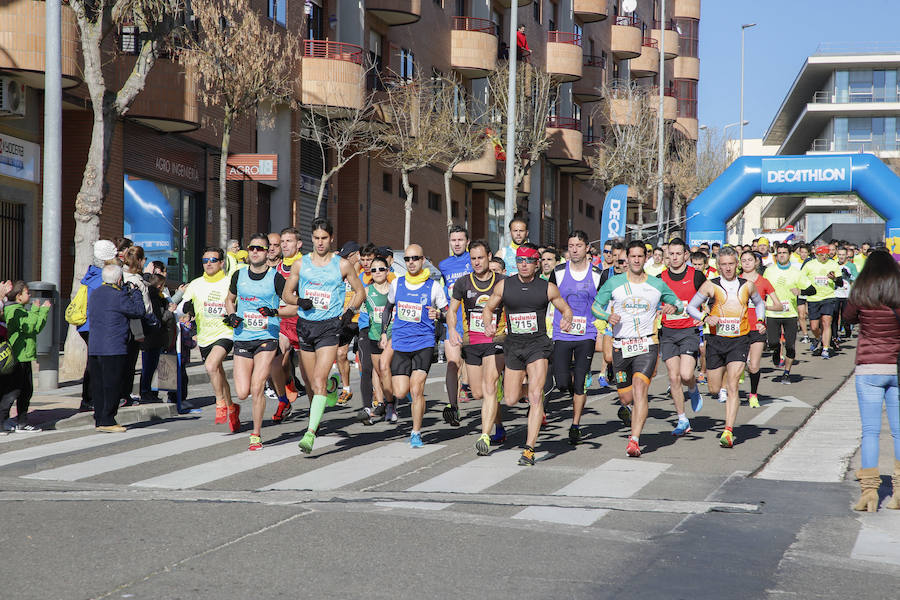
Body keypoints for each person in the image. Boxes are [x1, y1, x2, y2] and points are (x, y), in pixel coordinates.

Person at [482, 243, 573, 465]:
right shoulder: (505, 286)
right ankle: (532, 391)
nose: (524, 265)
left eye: (529, 261)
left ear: (536, 264)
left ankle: (529, 449)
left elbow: (565, 308)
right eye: (520, 261)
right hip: (513, 345)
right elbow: (488, 308)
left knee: (534, 396)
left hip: (538, 345)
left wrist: (567, 319)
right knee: (511, 399)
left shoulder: (546, 288)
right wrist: (488, 324)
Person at [591, 241, 683, 458]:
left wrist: (673, 306)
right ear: (625, 260)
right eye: (630, 257)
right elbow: (596, 306)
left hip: (647, 344)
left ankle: (634, 440)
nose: (635, 260)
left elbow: (679, 303)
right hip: (621, 346)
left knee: (640, 388)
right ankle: (629, 410)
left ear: (645, 258)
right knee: (626, 397)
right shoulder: (614, 283)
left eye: (640, 256)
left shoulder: (656, 284)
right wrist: (607, 316)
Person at [282, 219, 364, 454]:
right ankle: (330, 386)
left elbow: (360, 293)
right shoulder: (301, 265)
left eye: (324, 238)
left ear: (331, 239)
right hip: (306, 326)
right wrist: (300, 301)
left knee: (316, 380)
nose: (320, 242)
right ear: (312, 239)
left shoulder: (342, 265)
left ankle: (310, 432)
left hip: (330, 328)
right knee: (310, 382)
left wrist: (349, 312)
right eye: (316, 238)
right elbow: (287, 294)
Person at [687, 247, 766, 448]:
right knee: (714, 389)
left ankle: (728, 431)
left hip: (739, 339)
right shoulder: (710, 286)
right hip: (715, 340)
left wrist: (761, 320)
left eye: (731, 264)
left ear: (736, 264)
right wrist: (705, 317)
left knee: (733, 386)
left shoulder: (747, 285)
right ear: (718, 266)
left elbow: (759, 303)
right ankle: (700, 385)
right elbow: (690, 307)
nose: (728, 268)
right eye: (724, 264)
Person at [841, 250, 900, 511]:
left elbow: (847, 318)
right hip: (896, 367)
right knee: (898, 433)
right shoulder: (898, 290)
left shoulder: (861, 289)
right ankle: (899, 493)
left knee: (870, 432)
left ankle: (869, 493)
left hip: (868, 367)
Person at [378, 244, 448, 447]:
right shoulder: (397, 284)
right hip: (400, 342)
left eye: (415, 258)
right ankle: (399, 403)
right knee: (400, 392)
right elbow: (388, 308)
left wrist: (440, 315)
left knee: (417, 389)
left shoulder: (433, 287)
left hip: (423, 343)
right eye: (407, 259)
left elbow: (448, 313)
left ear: (423, 260)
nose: (411, 262)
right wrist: (384, 332)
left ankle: (416, 432)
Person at [224, 233, 287, 451]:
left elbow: (293, 305)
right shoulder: (239, 275)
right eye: (252, 248)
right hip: (243, 336)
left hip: (267, 336)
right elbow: (229, 300)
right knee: (242, 392)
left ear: (268, 251)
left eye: (260, 249)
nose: (255, 252)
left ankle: (256, 435)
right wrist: (231, 315)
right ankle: (240, 409)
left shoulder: (276, 278)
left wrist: (275, 312)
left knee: (257, 385)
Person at [447, 240, 507, 455]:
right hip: (472, 342)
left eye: (481, 257)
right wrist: (453, 329)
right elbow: (452, 310)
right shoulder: (463, 283)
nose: (477, 262)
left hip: (496, 341)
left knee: (490, 385)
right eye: (473, 258)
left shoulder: (502, 282)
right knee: (479, 392)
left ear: (489, 257)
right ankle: (499, 424)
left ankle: (485, 435)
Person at [548, 232, 602, 445]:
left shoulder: (598, 274)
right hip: (562, 333)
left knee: (580, 383)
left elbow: (604, 303)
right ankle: (573, 388)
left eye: (579, 245)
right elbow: (548, 297)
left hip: (586, 335)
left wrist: (602, 329)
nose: (575, 249)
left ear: (587, 247)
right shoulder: (558, 272)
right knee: (561, 382)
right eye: (571, 245)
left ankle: (575, 425)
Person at [178, 246, 240, 431]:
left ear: (221, 263)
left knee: (211, 365)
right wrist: (184, 310)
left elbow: (240, 303)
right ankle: (232, 407)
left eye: (213, 260)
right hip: (204, 336)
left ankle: (220, 402)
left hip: (225, 333)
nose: (209, 264)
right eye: (205, 261)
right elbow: (182, 307)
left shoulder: (230, 282)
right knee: (218, 372)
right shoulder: (196, 284)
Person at [86, 265, 149, 432]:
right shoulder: (119, 295)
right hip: (113, 347)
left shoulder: (95, 293)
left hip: (95, 346)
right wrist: (135, 293)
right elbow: (138, 311)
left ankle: (100, 418)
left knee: (98, 385)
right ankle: (108, 420)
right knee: (112, 384)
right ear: (120, 279)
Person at [658, 238, 706, 436]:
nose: (675, 257)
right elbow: (653, 302)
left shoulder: (696, 276)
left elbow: (712, 294)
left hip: (688, 331)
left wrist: (704, 315)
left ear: (686, 255)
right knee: (673, 377)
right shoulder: (660, 278)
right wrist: (662, 308)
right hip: (668, 332)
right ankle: (682, 420)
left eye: (679, 253)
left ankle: (693, 388)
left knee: (686, 375)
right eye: (671, 254)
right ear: (667, 255)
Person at [76, 239, 120, 412]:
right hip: (94, 325)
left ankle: (89, 399)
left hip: (88, 325)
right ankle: (89, 399)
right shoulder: (100, 278)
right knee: (96, 364)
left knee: (94, 363)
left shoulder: (92, 273)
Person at [1, 281, 51, 431]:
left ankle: (20, 421)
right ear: (19, 296)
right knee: (14, 391)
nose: (29, 296)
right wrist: (39, 310)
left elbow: (35, 328)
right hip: (18, 357)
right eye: (27, 293)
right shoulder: (15, 310)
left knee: (25, 390)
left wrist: (40, 312)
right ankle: (5, 421)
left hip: (25, 356)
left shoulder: (20, 309)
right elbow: (30, 326)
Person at [763, 243, 815, 384]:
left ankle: (786, 373)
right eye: (779, 253)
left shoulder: (796, 272)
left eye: (784, 253)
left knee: (791, 346)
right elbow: (762, 289)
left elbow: (812, 290)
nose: (781, 255)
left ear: (789, 254)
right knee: (773, 342)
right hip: (772, 313)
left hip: (790, 314)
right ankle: (776, 350)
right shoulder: (769, 271)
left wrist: (801, 292)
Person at [438, 225, 473, 426]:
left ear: (467, 242)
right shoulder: (444, 265)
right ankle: (454, 407)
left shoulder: (474, 260)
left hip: (473, 325)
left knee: (477, 377)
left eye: (460, 240)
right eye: (453, 240)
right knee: (453, 364)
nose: (457, 243)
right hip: (452, 323)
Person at [738, 251, 780, 408]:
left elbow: (779, 305)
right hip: (739, 328)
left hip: (757, 328)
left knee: (754, 366)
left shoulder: (764, 282)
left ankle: (753, 395)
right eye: (743, 260)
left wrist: (761, 305)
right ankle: (731, 393)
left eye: (750, 260)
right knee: (738, 364)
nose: (747, 263)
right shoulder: (736, 281)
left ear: (756, 262)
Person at [272, 227, 305, 423]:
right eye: (282, 241)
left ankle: (329, 386)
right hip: (282, 319)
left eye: (288, 241)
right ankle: (283, 400)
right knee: (277, 361)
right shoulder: (276, 268)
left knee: (311, 375)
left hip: (303, 321)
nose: (284, 245)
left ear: (298, 244)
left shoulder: (306, 265)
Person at [357, 255, 394, 425]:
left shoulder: (395, 289)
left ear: (387, 270)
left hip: (393, 336)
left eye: (381, 269)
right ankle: (382, 404)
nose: (377, 272)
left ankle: (391, 404)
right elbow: (356, 306)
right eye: (374, 270)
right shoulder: (366, 291)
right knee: (378, 371)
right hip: (373, 335)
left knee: (387, 370)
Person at [120, 245, 153, 406]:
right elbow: (145, 306)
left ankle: (124, 394)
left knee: (126, 360)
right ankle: (125, 394)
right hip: (135, 324)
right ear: (139, 260)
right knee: (129, 361)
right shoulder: (135, 280)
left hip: (123, 323)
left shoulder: (122, 275)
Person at [801, 243, 842, 359]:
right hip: (813, 298)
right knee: (814, 326)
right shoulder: (809, 265)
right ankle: (818, 338)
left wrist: (834, 278)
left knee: (826, 322)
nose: (824, 257)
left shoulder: (833, 264)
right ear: (816, 254)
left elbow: (840, 282)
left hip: (828, 297)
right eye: (821, 255)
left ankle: (825, 348)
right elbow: (801, 278)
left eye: (826, 255)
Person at [335, 240, 361, 406]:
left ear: (356, 255)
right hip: (345, 319)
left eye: (347, 256)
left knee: (365, 358)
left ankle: (375, 389)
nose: (343, 260)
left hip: (362, 317)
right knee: (341, 354)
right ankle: (346, 389)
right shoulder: (340, 271)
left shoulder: (366, 270)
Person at [832, 247, 857, 345]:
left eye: (843, 255)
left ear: (847, 255)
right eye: (839, 255)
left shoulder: (851, 266)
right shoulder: (833, 264)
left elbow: (856, 277)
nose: (841, 257)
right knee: (834, 315)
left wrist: (849, 275)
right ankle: (835, 335)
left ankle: (847, 330)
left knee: (845, 316)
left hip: (847, 294)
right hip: (835, 294)